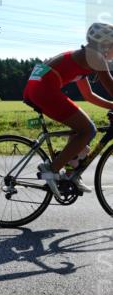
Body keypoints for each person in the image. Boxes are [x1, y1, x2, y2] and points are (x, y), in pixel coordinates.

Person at [22, 22, 113, 197]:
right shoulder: (95, 57)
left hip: (38, 87)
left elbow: (89, 95)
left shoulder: (84, 57)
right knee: (88, 130)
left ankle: (71, 173)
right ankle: (51, 169)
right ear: (105, 44)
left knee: (81, 129)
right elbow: (111, 87)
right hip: (43, 89)